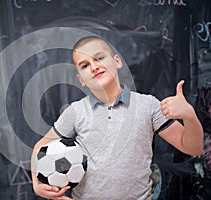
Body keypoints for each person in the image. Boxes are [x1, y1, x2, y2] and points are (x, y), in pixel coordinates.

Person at [30, 36, 203, 200]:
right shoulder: (76, 111)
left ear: (117, 61)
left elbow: (192, 148)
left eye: (99, 58)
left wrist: (189, 116)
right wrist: (37, 184)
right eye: (84, 65)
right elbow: (40, 146)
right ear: (81, 79)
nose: (94, 66)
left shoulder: (148, 105)